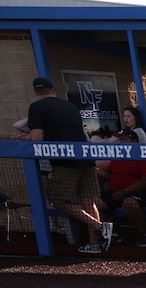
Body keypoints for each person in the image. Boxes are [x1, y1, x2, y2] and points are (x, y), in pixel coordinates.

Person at [26, 76, 110, 255]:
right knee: (88, 200)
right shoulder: (69, 106)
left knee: (57, 201)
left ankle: (100, 227)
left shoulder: (36, 107)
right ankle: (96, 244)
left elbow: (36, 138)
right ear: (53, 90)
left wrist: (22, 139)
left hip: (65, 162)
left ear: (35, 92)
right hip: (86, 159)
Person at [102, 128, 146, 247]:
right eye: (119, 140)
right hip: (118, 193)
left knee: (129, 203)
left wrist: (123, 192)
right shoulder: (120, 156)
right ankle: (112, 234)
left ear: (134, 141)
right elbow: (110, 173)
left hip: (142, 194)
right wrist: (95, 171)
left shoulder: (144, 155)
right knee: (95, 202)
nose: (120, 143)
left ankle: (144, 234)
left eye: (123, 139)